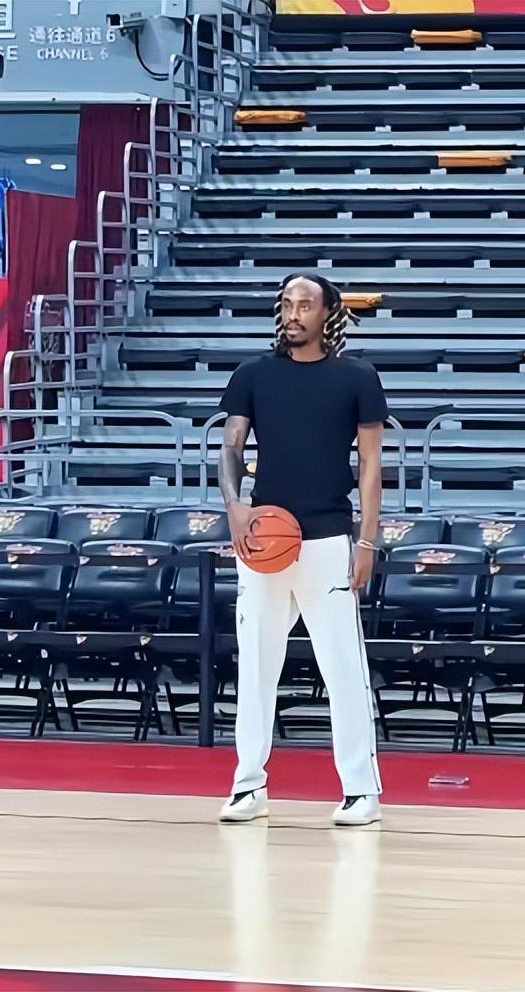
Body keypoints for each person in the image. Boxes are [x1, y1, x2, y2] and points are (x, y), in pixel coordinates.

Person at [217, 272, 386, 827]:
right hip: (263, 538)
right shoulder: (253, 374)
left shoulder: (357, 377)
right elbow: (231, 447)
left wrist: (367, 539)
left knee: (343, 669)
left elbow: (370, 466)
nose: (293, 313)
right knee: (255, 668)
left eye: (305, 304)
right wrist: (234, 506)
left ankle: (360, 790)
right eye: (287, 303)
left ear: (328, 313)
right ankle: (248, 785)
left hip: (328, 539)